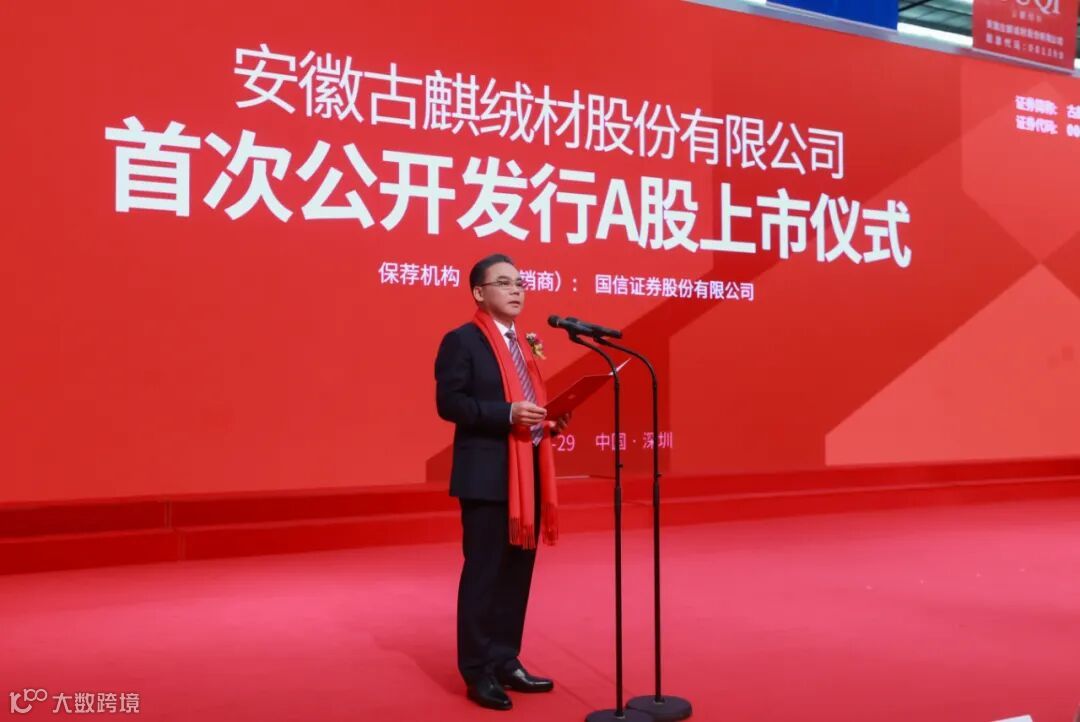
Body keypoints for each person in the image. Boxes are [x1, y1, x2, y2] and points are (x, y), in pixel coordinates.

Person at [435, 253, 570, 711]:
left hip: (526, 474)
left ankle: (505, 658)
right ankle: (477, 670)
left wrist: (548, 422)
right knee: (485, 573)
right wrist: (508, 413)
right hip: (487, 477)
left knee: (517, 574)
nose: (516, 290)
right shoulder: (462, 341)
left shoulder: (524, 343)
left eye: (520, 283)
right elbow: (450, 403)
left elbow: (528, 402)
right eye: (505, 283)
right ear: (479, 292)